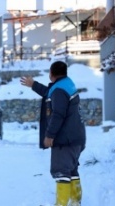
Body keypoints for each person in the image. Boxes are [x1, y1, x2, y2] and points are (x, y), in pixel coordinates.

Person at [20, 61, 86, 206]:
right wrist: (34, 84)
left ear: (51, 73)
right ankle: (75, 203)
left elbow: (58, 114)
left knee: (61, 172)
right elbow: (49, 93)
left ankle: (61, 204)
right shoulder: (66, 84)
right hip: (76, 138)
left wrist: (49, 135)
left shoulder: (59, 90)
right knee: (72, 171)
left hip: (65, 140)